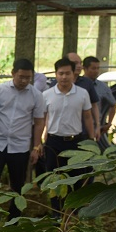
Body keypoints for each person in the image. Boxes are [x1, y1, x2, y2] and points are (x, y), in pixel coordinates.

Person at [0, 59, 45, 229]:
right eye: (21, 77)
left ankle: (14, 218)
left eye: (28, 78)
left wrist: (36, 147)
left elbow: (39, 122)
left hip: (20, 146)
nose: (24, 81)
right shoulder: (0, 90)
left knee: (17, 184)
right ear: (13, 73)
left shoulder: (36, 95)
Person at [42, 58, 96, 218]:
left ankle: (75, 211)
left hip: (76, 142)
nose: (64, 77)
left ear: (74, 74)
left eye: (67, 73)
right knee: (54, 177)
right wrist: (39, 142)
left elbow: (87, 117)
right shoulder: (46, 95)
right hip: (53, 142)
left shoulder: (82, 93)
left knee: (77, 177)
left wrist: (91, 142)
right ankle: (56, 213)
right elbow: (42, 120)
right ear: (55, 74)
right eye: (60, 73)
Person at [66, 52, 101, 137]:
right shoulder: (56, 84)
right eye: (75, 63)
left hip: (83, 131)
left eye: (80, 63)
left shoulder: (87, 83)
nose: (79, 66)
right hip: (61, 132)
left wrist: (97, 125)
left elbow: (94, 105)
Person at [83, 56, 116, 136]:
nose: (96, 71)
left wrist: (109, 123)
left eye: (97, 68)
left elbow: (113, 104)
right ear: (85, 68)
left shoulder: (102, 87)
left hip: (95, 127)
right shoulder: (77, 84)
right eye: (93, 68)